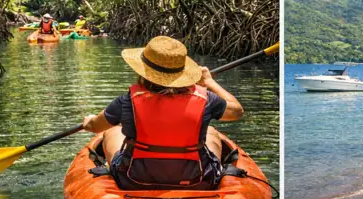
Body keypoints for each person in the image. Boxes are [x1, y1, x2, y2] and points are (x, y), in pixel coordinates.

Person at [81, 36, 243, 190]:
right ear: (182, 73)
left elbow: (95, 126)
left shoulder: (127, 101)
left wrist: (88, 121)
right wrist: (209, 82)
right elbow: (236, 111)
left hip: (134, 179)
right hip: (196, 178)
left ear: (144, 71)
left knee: (112, 131)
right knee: (211, 132)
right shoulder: (207, 99)